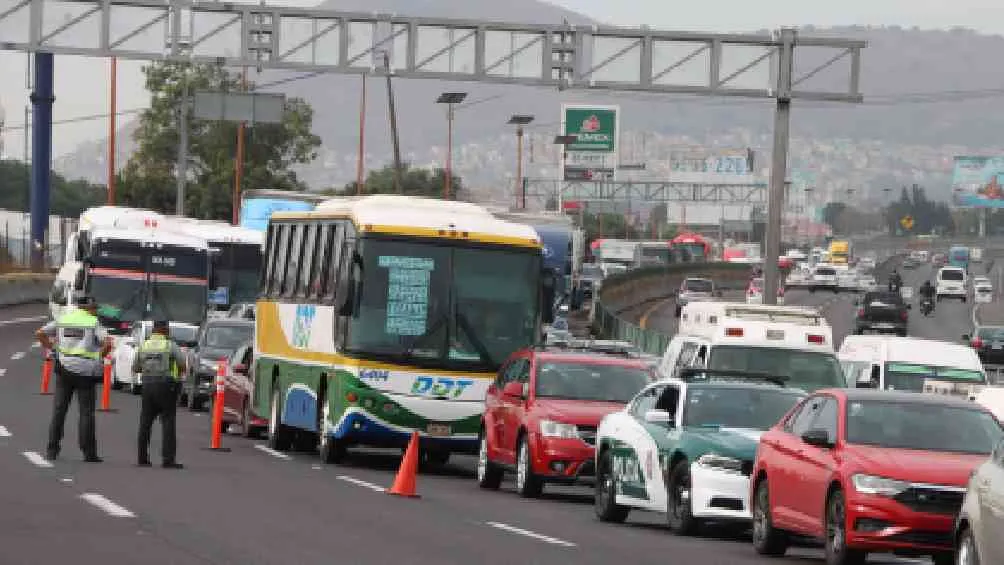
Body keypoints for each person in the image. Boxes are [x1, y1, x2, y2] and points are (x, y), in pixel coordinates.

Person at [36, 295, 112, 462]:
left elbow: (40, 333)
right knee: (86, 413)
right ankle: (88, 453)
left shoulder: (64, 319)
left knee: (59, 411)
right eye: (94, 308)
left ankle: (52, 450)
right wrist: (99, 356)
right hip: (86, 372)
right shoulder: (93, 322)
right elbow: (108, 343)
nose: (96, 311)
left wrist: (53, 348)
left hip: (65, 369)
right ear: (88, 308)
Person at [132, 320, 188, 469]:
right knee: (168, 422)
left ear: (153, 330)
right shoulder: (170, 345)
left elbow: (135, 367)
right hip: (166, 385)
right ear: (165, 330)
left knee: (145, 422)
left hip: (147, 385)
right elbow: (182, 364)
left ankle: (142, 458)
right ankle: (168, 459)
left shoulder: (144, 345)